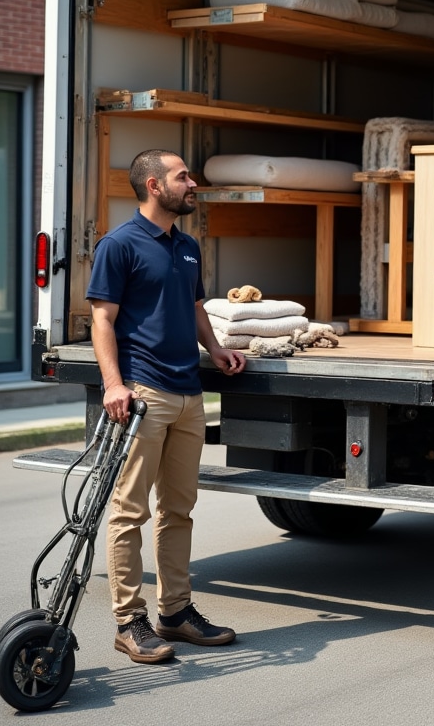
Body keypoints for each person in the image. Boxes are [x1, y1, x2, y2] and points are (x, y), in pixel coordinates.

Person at [87, 149, 246, 664]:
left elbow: (194, 307)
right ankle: (128, 623)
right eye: (183, 177)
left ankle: (174, 613)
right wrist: (114, 383)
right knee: (129, 511)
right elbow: (103, 320)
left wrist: (214, 347)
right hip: (144, 394)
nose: (192, 183)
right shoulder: (119, 245)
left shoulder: (187, 247)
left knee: (179, 510)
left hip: (189, 395)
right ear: (154, 186)